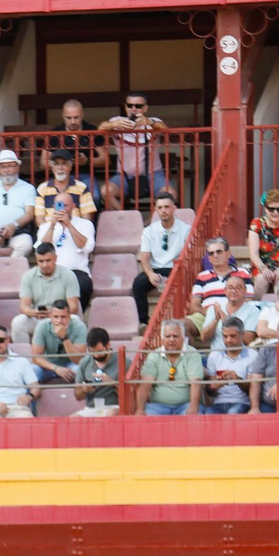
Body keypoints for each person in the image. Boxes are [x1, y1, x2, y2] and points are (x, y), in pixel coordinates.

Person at [98, 92, 168, 212]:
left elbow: (166, 129)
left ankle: (149, 225)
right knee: (105, 192)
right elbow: (101, 128)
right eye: (130, 105)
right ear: (125, 107)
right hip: (124, 176)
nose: (133, 109)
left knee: (169, 194)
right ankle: (128, 219)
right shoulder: (117, 121)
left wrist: (149, 122)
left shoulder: (152, 122)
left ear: (145, 108)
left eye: (138, 106)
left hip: (153, 174)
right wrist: (113, 124)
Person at [131, 192, 190, 324]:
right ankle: (143, 323)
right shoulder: (149, 231)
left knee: (188, 281)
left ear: (174, 208)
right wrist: (150, 274)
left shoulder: (186, 230)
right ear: (156, 210)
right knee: (138, 284)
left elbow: (188, 257)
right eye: (160, 208)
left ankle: (183, 320)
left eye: (167, 207)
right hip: (156, 269)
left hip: (176, 268)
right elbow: (145, 258)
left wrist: (177, 273)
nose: (163, 211)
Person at [36, 194, 96, 310]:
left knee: (84, 285)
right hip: (52, 272)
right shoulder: (45, 227)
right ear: (54, 207)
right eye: (59, 205)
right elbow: (42, 250)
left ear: (74, 206)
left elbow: (86, 247)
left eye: (66, 205)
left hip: (77, 272)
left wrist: (68, 224)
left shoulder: (85, 224)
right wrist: (52, 226)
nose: (62, 209)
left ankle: (76, 317)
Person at [15, 243, 80, 346]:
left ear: (55, 258)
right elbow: (24, 307)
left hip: (61, 317)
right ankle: (25, 359)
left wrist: (54, 314)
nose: (44, 265)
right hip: (38, 318)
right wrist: (35, 313)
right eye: (41, 261)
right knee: (18, 322)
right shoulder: (28, 276)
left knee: (76, 320)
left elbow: (73, 307)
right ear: (36, 260)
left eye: (48, 260)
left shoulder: (69, 275)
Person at [138, 319, 203, 416]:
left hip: (185, 406)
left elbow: (195, 383)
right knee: (146, 419)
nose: (171, 339)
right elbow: (145, 385)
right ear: (162, 338)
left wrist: (193, 407)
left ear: (183, 337)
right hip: (157, 407)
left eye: (175, 336)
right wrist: (139, 410)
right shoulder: (154, 355)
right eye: (168, 336)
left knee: (193, 419)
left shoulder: (192, 354)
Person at [202, 317, 263, 414]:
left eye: (233, 336)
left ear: (242, 335)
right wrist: (216, 385)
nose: (228, 340)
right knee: (209, 413)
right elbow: (210, 390)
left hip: (242, 403)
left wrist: (238, 380)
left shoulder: (253, 356)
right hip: (218, 403)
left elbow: (252, 388)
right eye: (225, 336)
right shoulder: (214, 356)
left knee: (233, 413)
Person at [31, 302, 88, 384]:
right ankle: (30, 396)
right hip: (48, 365)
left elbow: (78, 360)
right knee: (32, 371)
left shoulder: (80, 327)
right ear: (50, 316)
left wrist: (64, 338)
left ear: (69, 316)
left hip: (70, 364)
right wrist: (56, 368)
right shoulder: (42, 326)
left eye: (63, 317)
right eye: (55, 317)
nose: (59, 321)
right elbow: (36, 358)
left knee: (80, 371)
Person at [35, 149, 97, 220]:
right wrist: (51, 229)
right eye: (56, 164)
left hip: (75, 228)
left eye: (64, 163)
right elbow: (39, 219)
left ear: (70, 166)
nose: (60, 167)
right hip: (50, 228)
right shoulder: (42, 188)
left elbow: (87, 218)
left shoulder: (81, 187)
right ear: (52, 167)